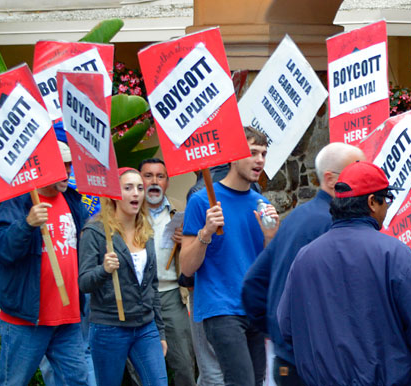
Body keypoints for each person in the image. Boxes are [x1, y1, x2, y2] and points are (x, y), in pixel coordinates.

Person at [277, 161, 411, 385]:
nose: (387, 208)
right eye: (386, 200)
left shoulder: (305, 257)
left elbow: (286, 325)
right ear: (372, 202)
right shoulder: (396, 253)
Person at [242, 142, 366, 385]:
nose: (366, 179)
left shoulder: (297, 217)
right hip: (320, 363)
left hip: (291, 360)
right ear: (330, 179)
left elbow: (253, 284)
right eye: (357, 172)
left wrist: (279, 335)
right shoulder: (334, 224)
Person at [180, 127, 279, 386]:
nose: (260, 160)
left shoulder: (260, 203)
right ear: (234, 155)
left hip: (253, 308)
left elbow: (267, 267)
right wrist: (206, 232)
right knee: (241, 381)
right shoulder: (202, 201)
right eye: (253, 152)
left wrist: (270, 237)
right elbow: (187, 268)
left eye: (264, 154)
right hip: (221, 308)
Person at [0, 141, 89, 385]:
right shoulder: (18, 202)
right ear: (44, 168)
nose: (68, 173)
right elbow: (3, 249)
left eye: (69, 166)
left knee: (77, 381)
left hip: (68, 319)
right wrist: (27, 224)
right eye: (62, 167)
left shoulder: (73, 200)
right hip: (26, 320)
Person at [79, 167, 168, 386]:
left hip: (145, 326)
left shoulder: (145, 231)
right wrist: (103, 270)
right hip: (109, 327)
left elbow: (152, 286)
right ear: (114, 194)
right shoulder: (96, 232)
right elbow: (84, 283)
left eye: (139, 188)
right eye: (128, 188)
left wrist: (161, 332)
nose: (136, 193)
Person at [140, 158, 196, 386]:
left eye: (160, 176)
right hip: (139, 297)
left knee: (184, 362)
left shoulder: (180, 212)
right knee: (141, 365)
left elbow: (199, 248)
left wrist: (186, 242)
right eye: (148, 176)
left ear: (167, 181)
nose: (154, 181)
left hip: (172, 294)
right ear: (139, 179)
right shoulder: (128, 211)